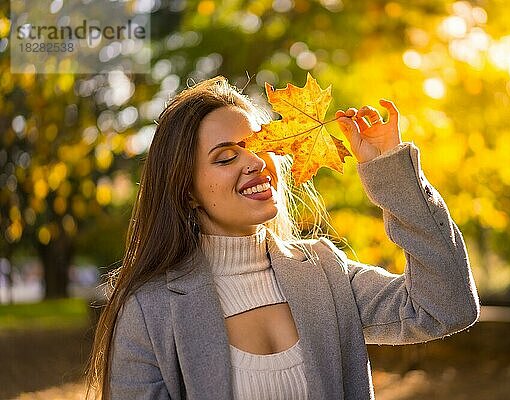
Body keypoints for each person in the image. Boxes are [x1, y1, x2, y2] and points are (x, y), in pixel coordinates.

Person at [86, 76, 480, 400]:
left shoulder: (325, 271)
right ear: (187, 190)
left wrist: (391, 174)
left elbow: (447, 307)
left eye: (262, 146)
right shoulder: (150, 310)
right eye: (226, 157)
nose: (255, 162)